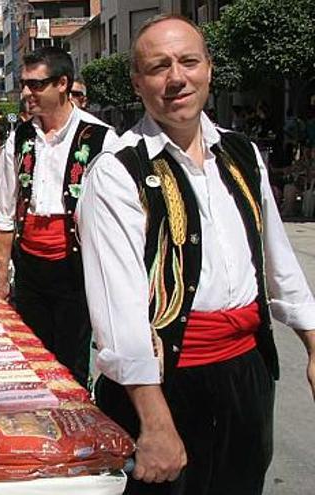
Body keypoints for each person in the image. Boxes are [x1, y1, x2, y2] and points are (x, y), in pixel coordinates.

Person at [78, 14, 315, 494]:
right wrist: (155, 420)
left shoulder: (242, 153)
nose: (176, 78)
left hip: (246, 373)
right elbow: (118, 314)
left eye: (188, 61)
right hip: (167, 383)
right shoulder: (117, 172)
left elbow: (278, 263)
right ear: (138, 82)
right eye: (159, 66)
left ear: (208, 68)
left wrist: (312, 344)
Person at [0, 46, 117, 387]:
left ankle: (77, 428)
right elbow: (5, 211)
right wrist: (1, 276)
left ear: (62, 84)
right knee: (32, 356)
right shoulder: (18, 139)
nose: (26, 93)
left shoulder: (101, 139)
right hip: (30, 265)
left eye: (35, 85)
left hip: (76, 268)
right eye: (24, 84)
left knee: (72, 362)